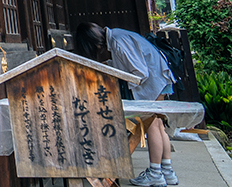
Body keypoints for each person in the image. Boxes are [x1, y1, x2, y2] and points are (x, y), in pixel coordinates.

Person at [74, 22, 178, 186]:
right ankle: (167, 171)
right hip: (160, 79)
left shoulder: (117, 42)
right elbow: (127, 64)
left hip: (154, 82)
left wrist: (114, 75)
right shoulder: (116, 37)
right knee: (158, 125)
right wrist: (105, 67)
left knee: (151, 125)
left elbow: (140, 72)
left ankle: (156, 173)